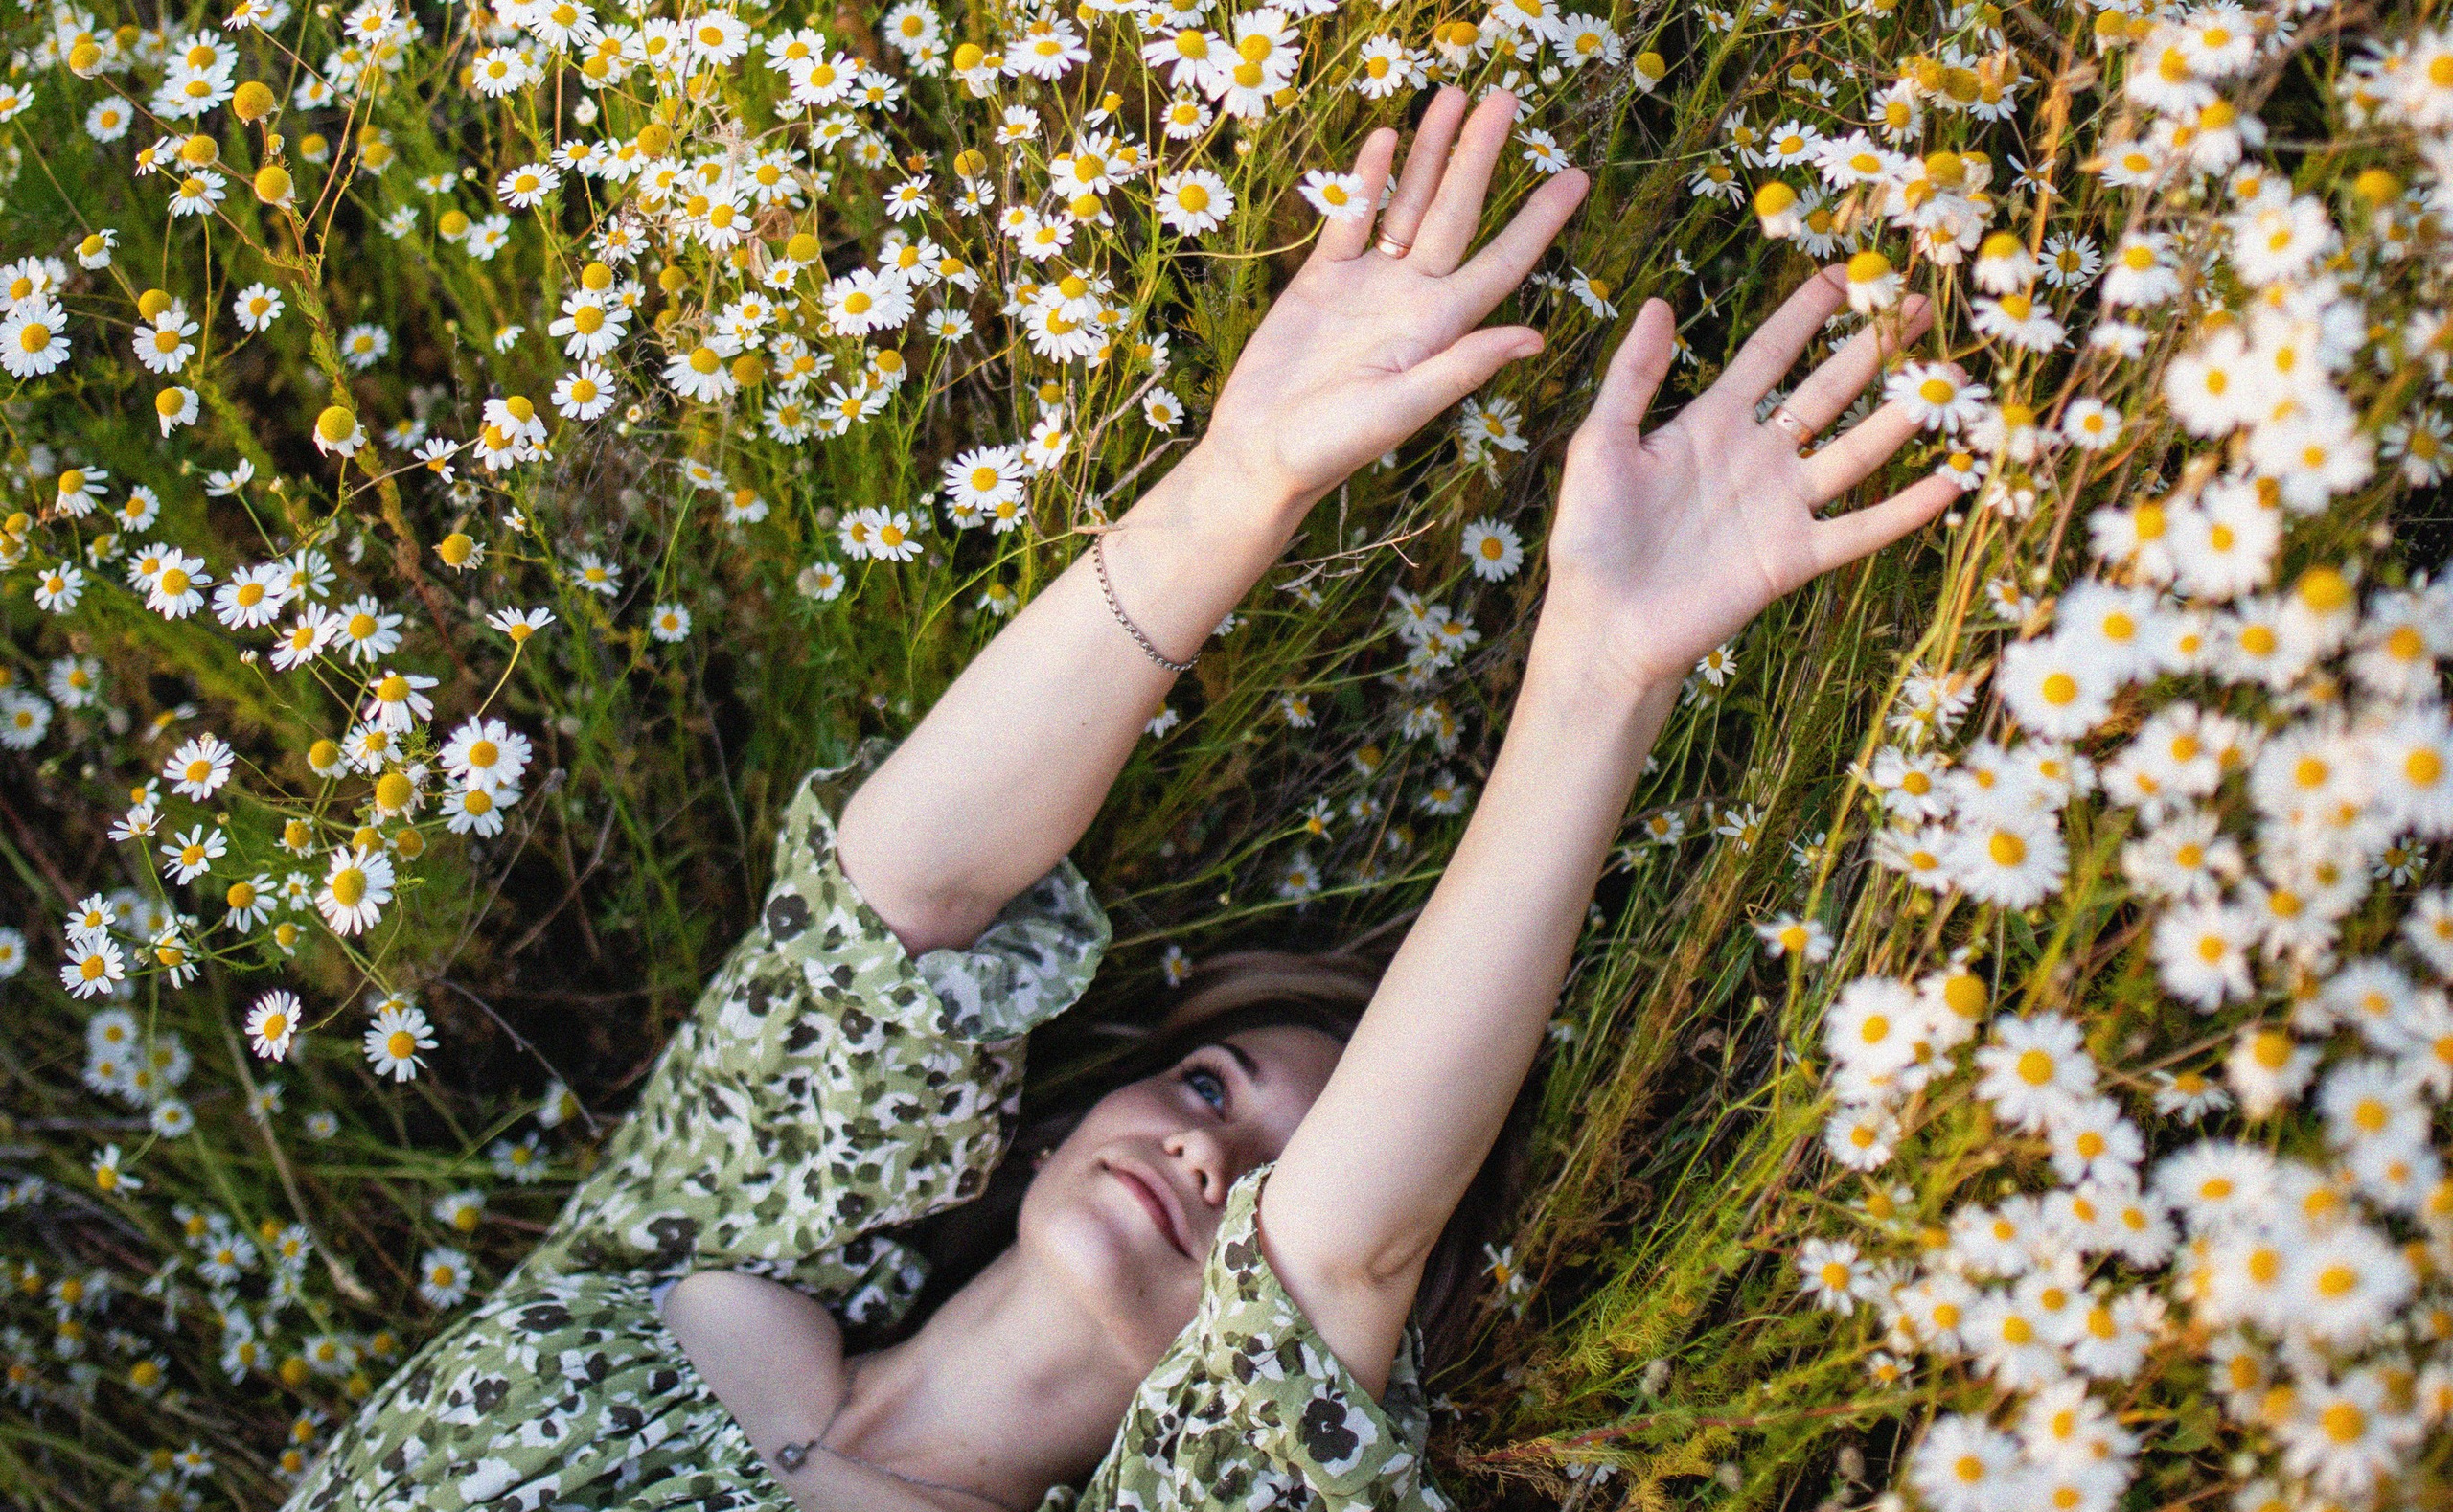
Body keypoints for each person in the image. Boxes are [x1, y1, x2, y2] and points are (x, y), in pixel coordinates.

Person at [286, 84, 1956, 1512]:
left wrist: (1604, 669)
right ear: (1052, 1131)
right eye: (1211, 1084)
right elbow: (901, 896)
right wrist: (1244, 475)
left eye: (1270, 1175)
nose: (1204, 1153)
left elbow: (1348, 1249)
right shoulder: (686, 1267)